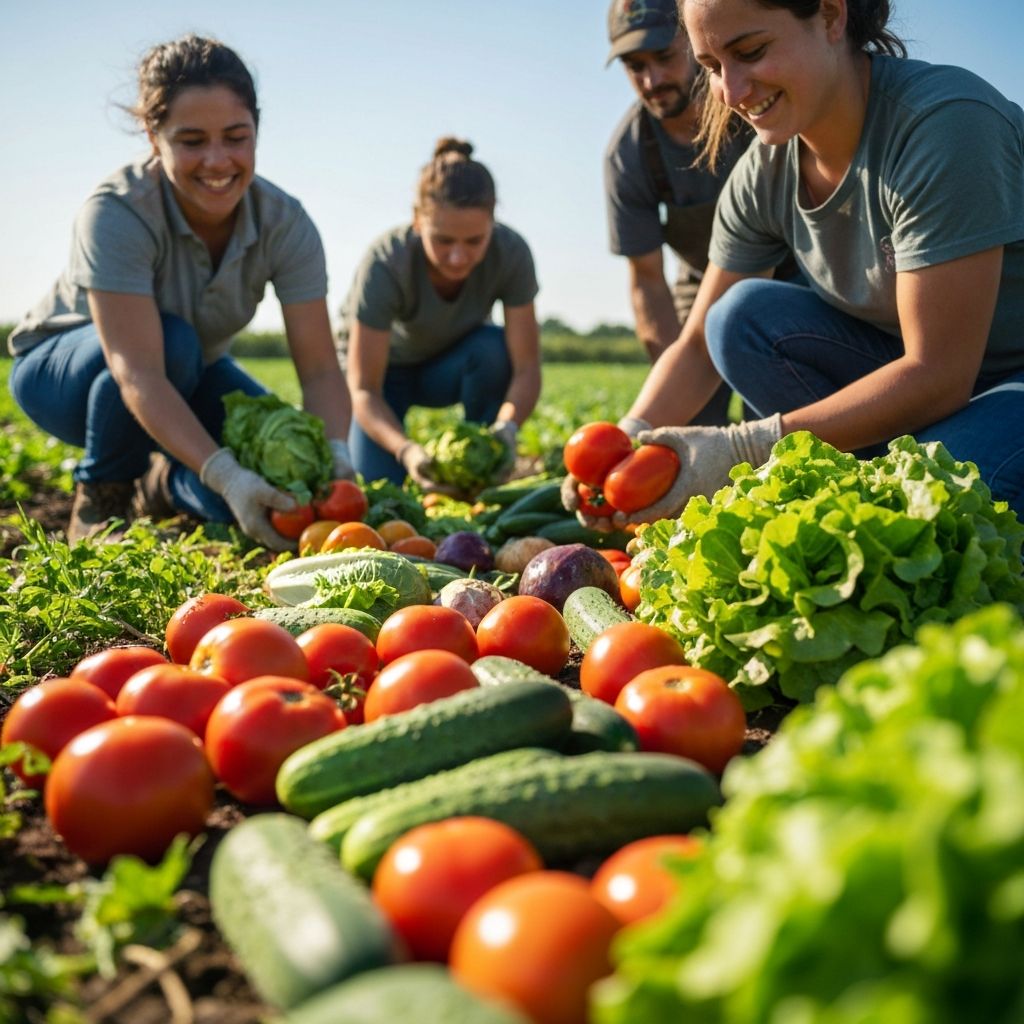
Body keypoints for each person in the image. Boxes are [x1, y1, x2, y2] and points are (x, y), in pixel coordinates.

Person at [568, 0, 1024, 526]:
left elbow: (939, 373)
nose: (732, 93)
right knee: (739, 317)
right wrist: (623, 444)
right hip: (919, 383)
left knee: (945, 498)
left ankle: (902, 476)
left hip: (996, 381)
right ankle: (881, 476)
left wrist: (747, 447)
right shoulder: (764, 172)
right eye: (714, 67)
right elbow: (695, 349)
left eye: (751, 52)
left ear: (831, 17)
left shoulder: (944, 125)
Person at [7, 34, 353, 550]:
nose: (217, 161)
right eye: (191, 141)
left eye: (236, 137)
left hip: (185, 373)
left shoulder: (286, 223)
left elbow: (322, 369)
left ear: (257, 129)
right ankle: (102, 493)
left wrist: (335, 458)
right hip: (67, 375)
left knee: (275, 496)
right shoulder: (118, 212)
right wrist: (227, 472)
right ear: (153, 135)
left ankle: (165, 484)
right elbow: (138, 370)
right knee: (176, 345)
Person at [339, 137, 541, 490]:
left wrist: (507, 429)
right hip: (383, 377)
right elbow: (364, 389)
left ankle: (480, 472)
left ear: (493, 223)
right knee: (378, 487)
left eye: (474, 241)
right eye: (444, 241)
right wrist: (406, 451)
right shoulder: (387, 262)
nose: (459, 257)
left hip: (447, 366)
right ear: (418, 221)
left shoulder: (511, 254)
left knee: (493, 350)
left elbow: (526, 367)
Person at [604, 0, 751, 406]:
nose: (652, 80)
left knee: (779, 411)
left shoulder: (747, 105)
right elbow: (648, 282)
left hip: (794, 271)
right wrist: (676, 382)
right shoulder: (629, 155)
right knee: (689, 418)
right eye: (635, 66)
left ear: (695, 43)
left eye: (664, 57)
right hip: (701, 283)